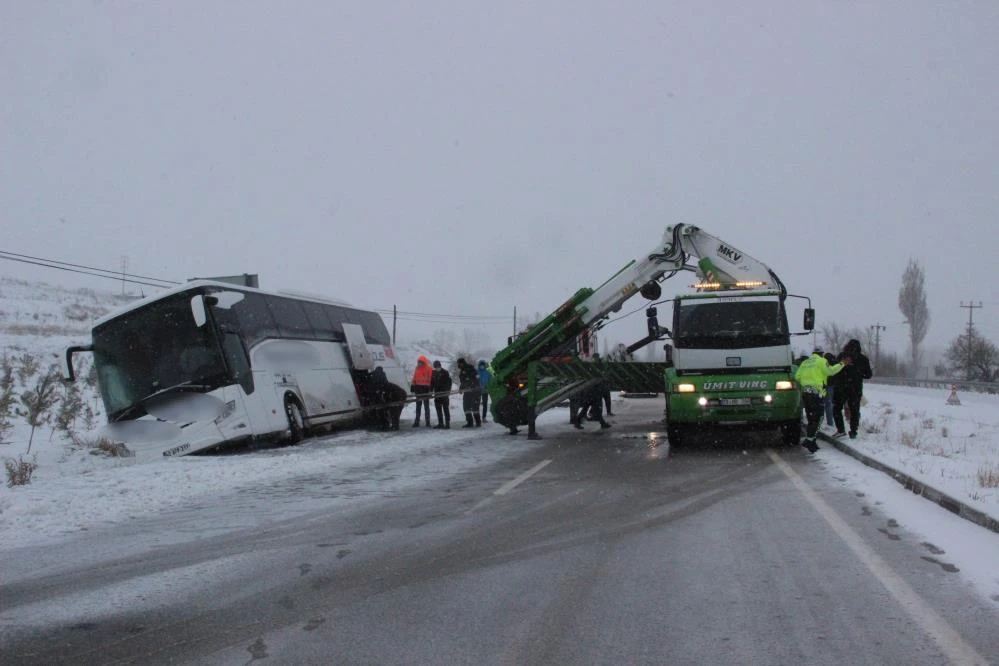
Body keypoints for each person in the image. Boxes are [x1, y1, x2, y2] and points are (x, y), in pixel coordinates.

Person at [794, 347, 849, 452]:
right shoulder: (821, 361)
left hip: (805, 393)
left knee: (811, 417)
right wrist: (842, 364)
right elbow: (831, 371)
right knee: (819, 417)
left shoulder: (805, 362)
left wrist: (807, 381)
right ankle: (810, 441)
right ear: (821, 354)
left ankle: (811, 439)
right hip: (816, 394)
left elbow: (797, 376)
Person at [833, 339, 873, 439]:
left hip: (841, 388)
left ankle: (841, 429)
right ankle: (853, 432)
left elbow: (834, 369)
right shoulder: (863, 359)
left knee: (837, 408)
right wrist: (859, 374)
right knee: (855, 410)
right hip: (856, 388)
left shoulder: (842, 356)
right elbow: (868, 375)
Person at [457, 357, 481, 428]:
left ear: (462, 363)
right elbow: (463, 382)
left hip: (475, 391)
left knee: (475, 407)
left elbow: (476, 378)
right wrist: (461, 388)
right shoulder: (461, 371)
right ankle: (470, 422)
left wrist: (473, 385)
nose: (459, 365)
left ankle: (478, 422)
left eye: (459, 363)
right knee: (466, 407)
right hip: (467, 392)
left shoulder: (470, 368)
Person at [410, 355, 433, 427]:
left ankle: (428, 422)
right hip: (418, 389)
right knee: (418, 407)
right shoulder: (417, 368)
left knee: (426, 407)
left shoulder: (429, 369)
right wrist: (412, 385)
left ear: (423, 362)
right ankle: (417, 422)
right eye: (418, 362)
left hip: (426, 389)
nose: (419, 364)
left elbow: (431, 380)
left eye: (420, 362)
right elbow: (414, 377)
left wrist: (430, 389)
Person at [431, 360, 452, 429]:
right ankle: (441, 423)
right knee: (438, 409)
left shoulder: (445, 372)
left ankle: (447, 423)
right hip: (437, 394)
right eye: (435, 367)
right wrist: (431, 391)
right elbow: (432, 383)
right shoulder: (433, 373)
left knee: (445, 409)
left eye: (438, 366)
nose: (437, 368)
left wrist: (448, 391)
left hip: (444, 394)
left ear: (440, 366)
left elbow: (449, 382)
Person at [822, 352, 839, 429]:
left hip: (826, 385)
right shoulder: (835, 362)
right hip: (834, 385)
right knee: (831, 404)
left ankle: (829, 423)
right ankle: (833, 421)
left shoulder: (825, 363)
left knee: (826, 404)